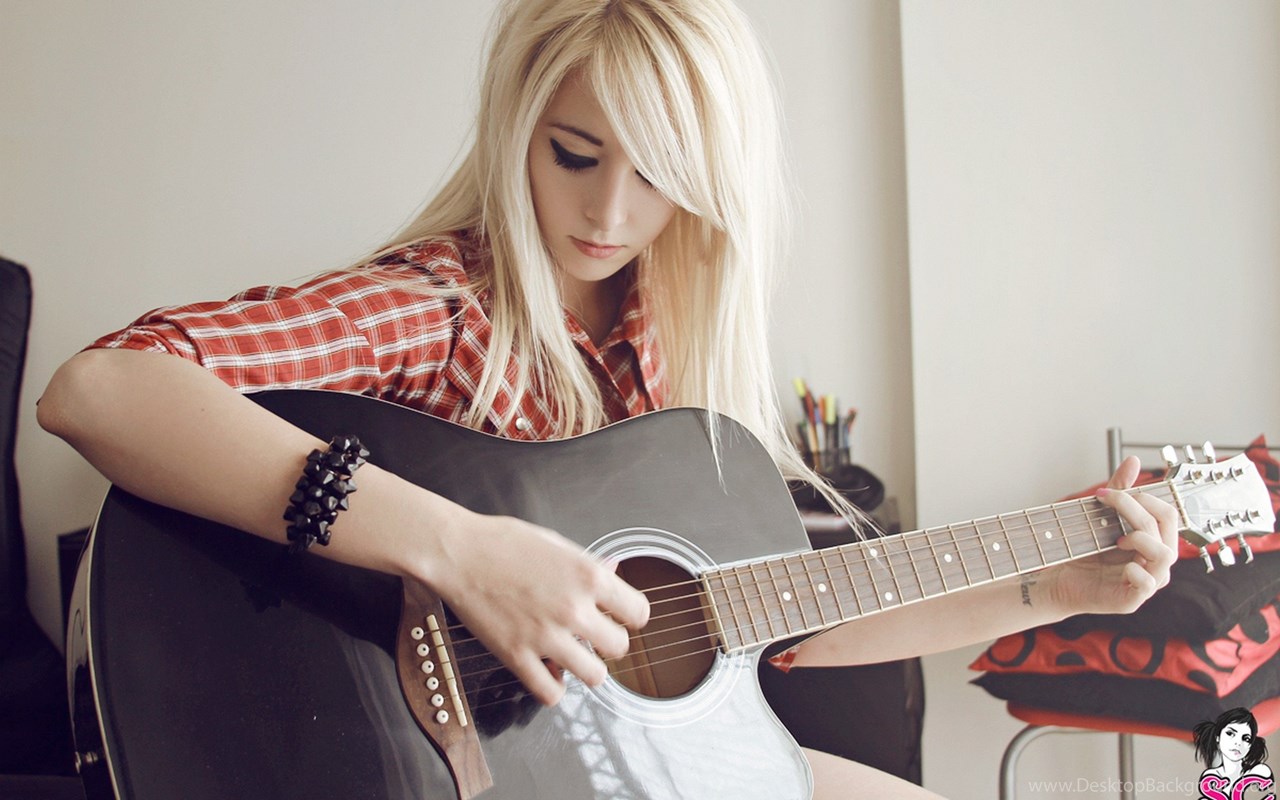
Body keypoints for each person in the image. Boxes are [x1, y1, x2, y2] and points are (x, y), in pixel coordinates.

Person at [37, 0, 1179, 797]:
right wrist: (459, 550)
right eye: (575, 155)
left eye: (659, 175)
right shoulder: (444, 308)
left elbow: (785, 622)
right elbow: (101, 388)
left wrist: (1053, 585)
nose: (610, 214)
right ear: (517, 129)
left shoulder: (662, 358)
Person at [1193, 707, 1273, 799]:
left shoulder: (1260, 771)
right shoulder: (1211, 776)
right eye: (1230, 733)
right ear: (1217, 736)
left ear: (1250, 745)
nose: (1238, 743)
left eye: (1246, 739)